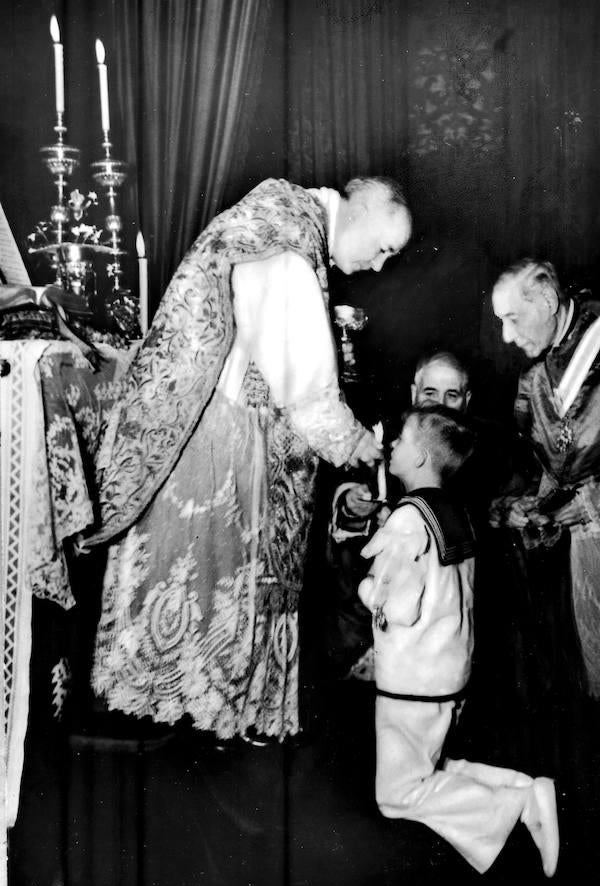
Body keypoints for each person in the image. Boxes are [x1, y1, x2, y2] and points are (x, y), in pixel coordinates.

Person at [85, 175, 412, 742]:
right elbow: (303, 384)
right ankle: (188, 720)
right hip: (223, 434)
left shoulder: (288, 219)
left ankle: (204, 715)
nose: (381, 267)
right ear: (358, 210)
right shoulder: (287, 238)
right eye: (383, 248)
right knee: (203, 572)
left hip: (228, 423)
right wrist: (353, 441)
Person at [358, 406, 559, 877]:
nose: (393, 446)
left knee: (396, 795)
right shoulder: (454, 513)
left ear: (423, 458)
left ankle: (515, 806)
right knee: (431, 767)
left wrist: (369, 590)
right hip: (449, 674)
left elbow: (398, 605)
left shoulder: (409, 519)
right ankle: (522, 788)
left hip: (411, 680)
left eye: (403, 440)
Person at [490, 258, 600, 698]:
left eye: (512, 318)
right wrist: (522, 505)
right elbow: (535, 464)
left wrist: (598, 503)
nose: (506, 336)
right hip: (573, 576)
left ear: (548, 301)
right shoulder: (533, 375)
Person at [325, 351, 473, 678]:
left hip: (436, 630)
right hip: (368, 609)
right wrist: (354, 505)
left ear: (467, 400)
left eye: (452, 395)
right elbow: (346, 495)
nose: (440, 404)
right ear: (413, 393)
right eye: (430, 393)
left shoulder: (474, 456)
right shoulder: (389, 440)